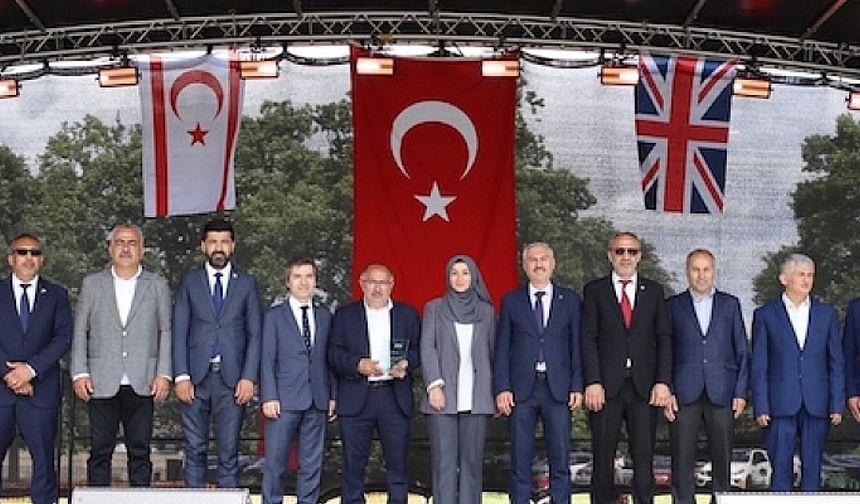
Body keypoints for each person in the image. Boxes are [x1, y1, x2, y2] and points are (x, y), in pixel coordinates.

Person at [70, 223, 172, 486]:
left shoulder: (157, 284)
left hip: (143, 381)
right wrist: (79, 372)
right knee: (100, 451)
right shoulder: (92, 284)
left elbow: (166, 330)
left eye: (132, 243)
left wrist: (164, 373)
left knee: (140, 452)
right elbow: (80, 330)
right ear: (110, 249)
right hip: (101, 380)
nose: (126, 248)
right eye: (120, 242)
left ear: (142, 250)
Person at [581, 231, 671, 504]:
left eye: (632, 251)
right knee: (603, 458)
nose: (626, 257)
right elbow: (588, 338)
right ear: (610, 255)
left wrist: (663, 381)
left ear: (640, 256)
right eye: (620, 251)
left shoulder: (654, 291)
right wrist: (593, 381)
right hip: (605, 388)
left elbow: (663, 338)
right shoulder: (594, 290)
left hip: (644, 388)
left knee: (644, 460)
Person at [172, 218, 262, 488]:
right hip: (195, 380)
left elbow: (255, 334)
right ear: (203, 246)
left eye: (224, 242)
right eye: (213, 242)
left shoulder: (246, 283)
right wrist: (181, 376)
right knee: (195, 450)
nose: (218, 247)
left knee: (229, 452)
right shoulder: (190, 281)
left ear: (232, 246)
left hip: (233, 380)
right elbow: (179, 331)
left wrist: (249, 377)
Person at [493, 242, 583, 504]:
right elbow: (502, 348)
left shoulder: (570, 300)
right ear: (525, 265)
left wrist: (577, 385)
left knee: (560, 458)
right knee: (520, 459)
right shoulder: (511, 301)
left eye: (544, 259)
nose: (539, 264)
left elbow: (576, 346)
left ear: (553, 264)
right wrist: (502, 387)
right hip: (522, 390)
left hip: (558, 389)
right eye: (533, 259)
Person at [327, 263, 420, 504]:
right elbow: (333, 353)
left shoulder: (407, 314)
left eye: (383, 282)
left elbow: (420, 351)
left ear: (392, 284)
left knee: (398, 466)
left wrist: (407, 364)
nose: (377, 288)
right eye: (372, 282)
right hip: (357, 396)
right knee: (353, 467)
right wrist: (357, 364)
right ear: (361, 284)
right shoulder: (345, 315)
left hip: (394, 397)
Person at [751, 253, 844, 491]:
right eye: (801, 274)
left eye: (810, 275)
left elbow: (836, 362)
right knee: (780, 471)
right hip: (779, 404)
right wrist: (761, 405)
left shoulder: (827, 313)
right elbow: (759, 364)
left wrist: (836, 403)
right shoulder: (765, 315)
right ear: (784, 278)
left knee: (813, 471)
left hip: (817, 403)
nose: (807, 280)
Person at [663, 249, 749, 504]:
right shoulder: (672, 306)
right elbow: (664, 352)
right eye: (695, 269)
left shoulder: (730, 304)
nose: (701, 275)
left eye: (706, 269)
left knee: (722, 460)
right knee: (681, 460)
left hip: (722, 391)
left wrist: (741, 392)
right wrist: (666, 389)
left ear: (714, 272)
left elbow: (742, 350)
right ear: (686, 272)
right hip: (682, 393)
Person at [0, 234, 72, 504]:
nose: (28, 258)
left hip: (40, 392)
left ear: (41, 260)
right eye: (22, 252)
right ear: (11, 259)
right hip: (2, 392)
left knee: (44, 464)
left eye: (34, 253)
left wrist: (30, 370)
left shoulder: (56, 295)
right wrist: (10, 375)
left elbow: (63, 337)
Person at [260, 257, 336, 504]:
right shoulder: (273, 317)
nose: (303, 282)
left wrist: (332, 395)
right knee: (275, 465)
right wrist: (269, 396)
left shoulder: (325, 316)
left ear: (315, 281)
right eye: (297, 277)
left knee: (311, 467)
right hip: (283, 400)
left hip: (317, 399)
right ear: (288, 282)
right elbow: (267, 359)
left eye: (309, 276)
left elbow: (329, 359)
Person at [421, 255, 496, 504]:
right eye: (454, 273)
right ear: (447, 277)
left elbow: (494, 352)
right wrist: (434, 385)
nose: (460, 278)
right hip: (442, 398)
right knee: (444, 465)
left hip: (478, 398)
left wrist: (495, 392)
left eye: (465, 272)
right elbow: (427, 348)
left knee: (472, 466)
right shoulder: (435, 308)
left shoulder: (486, 312)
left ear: (474, 276)